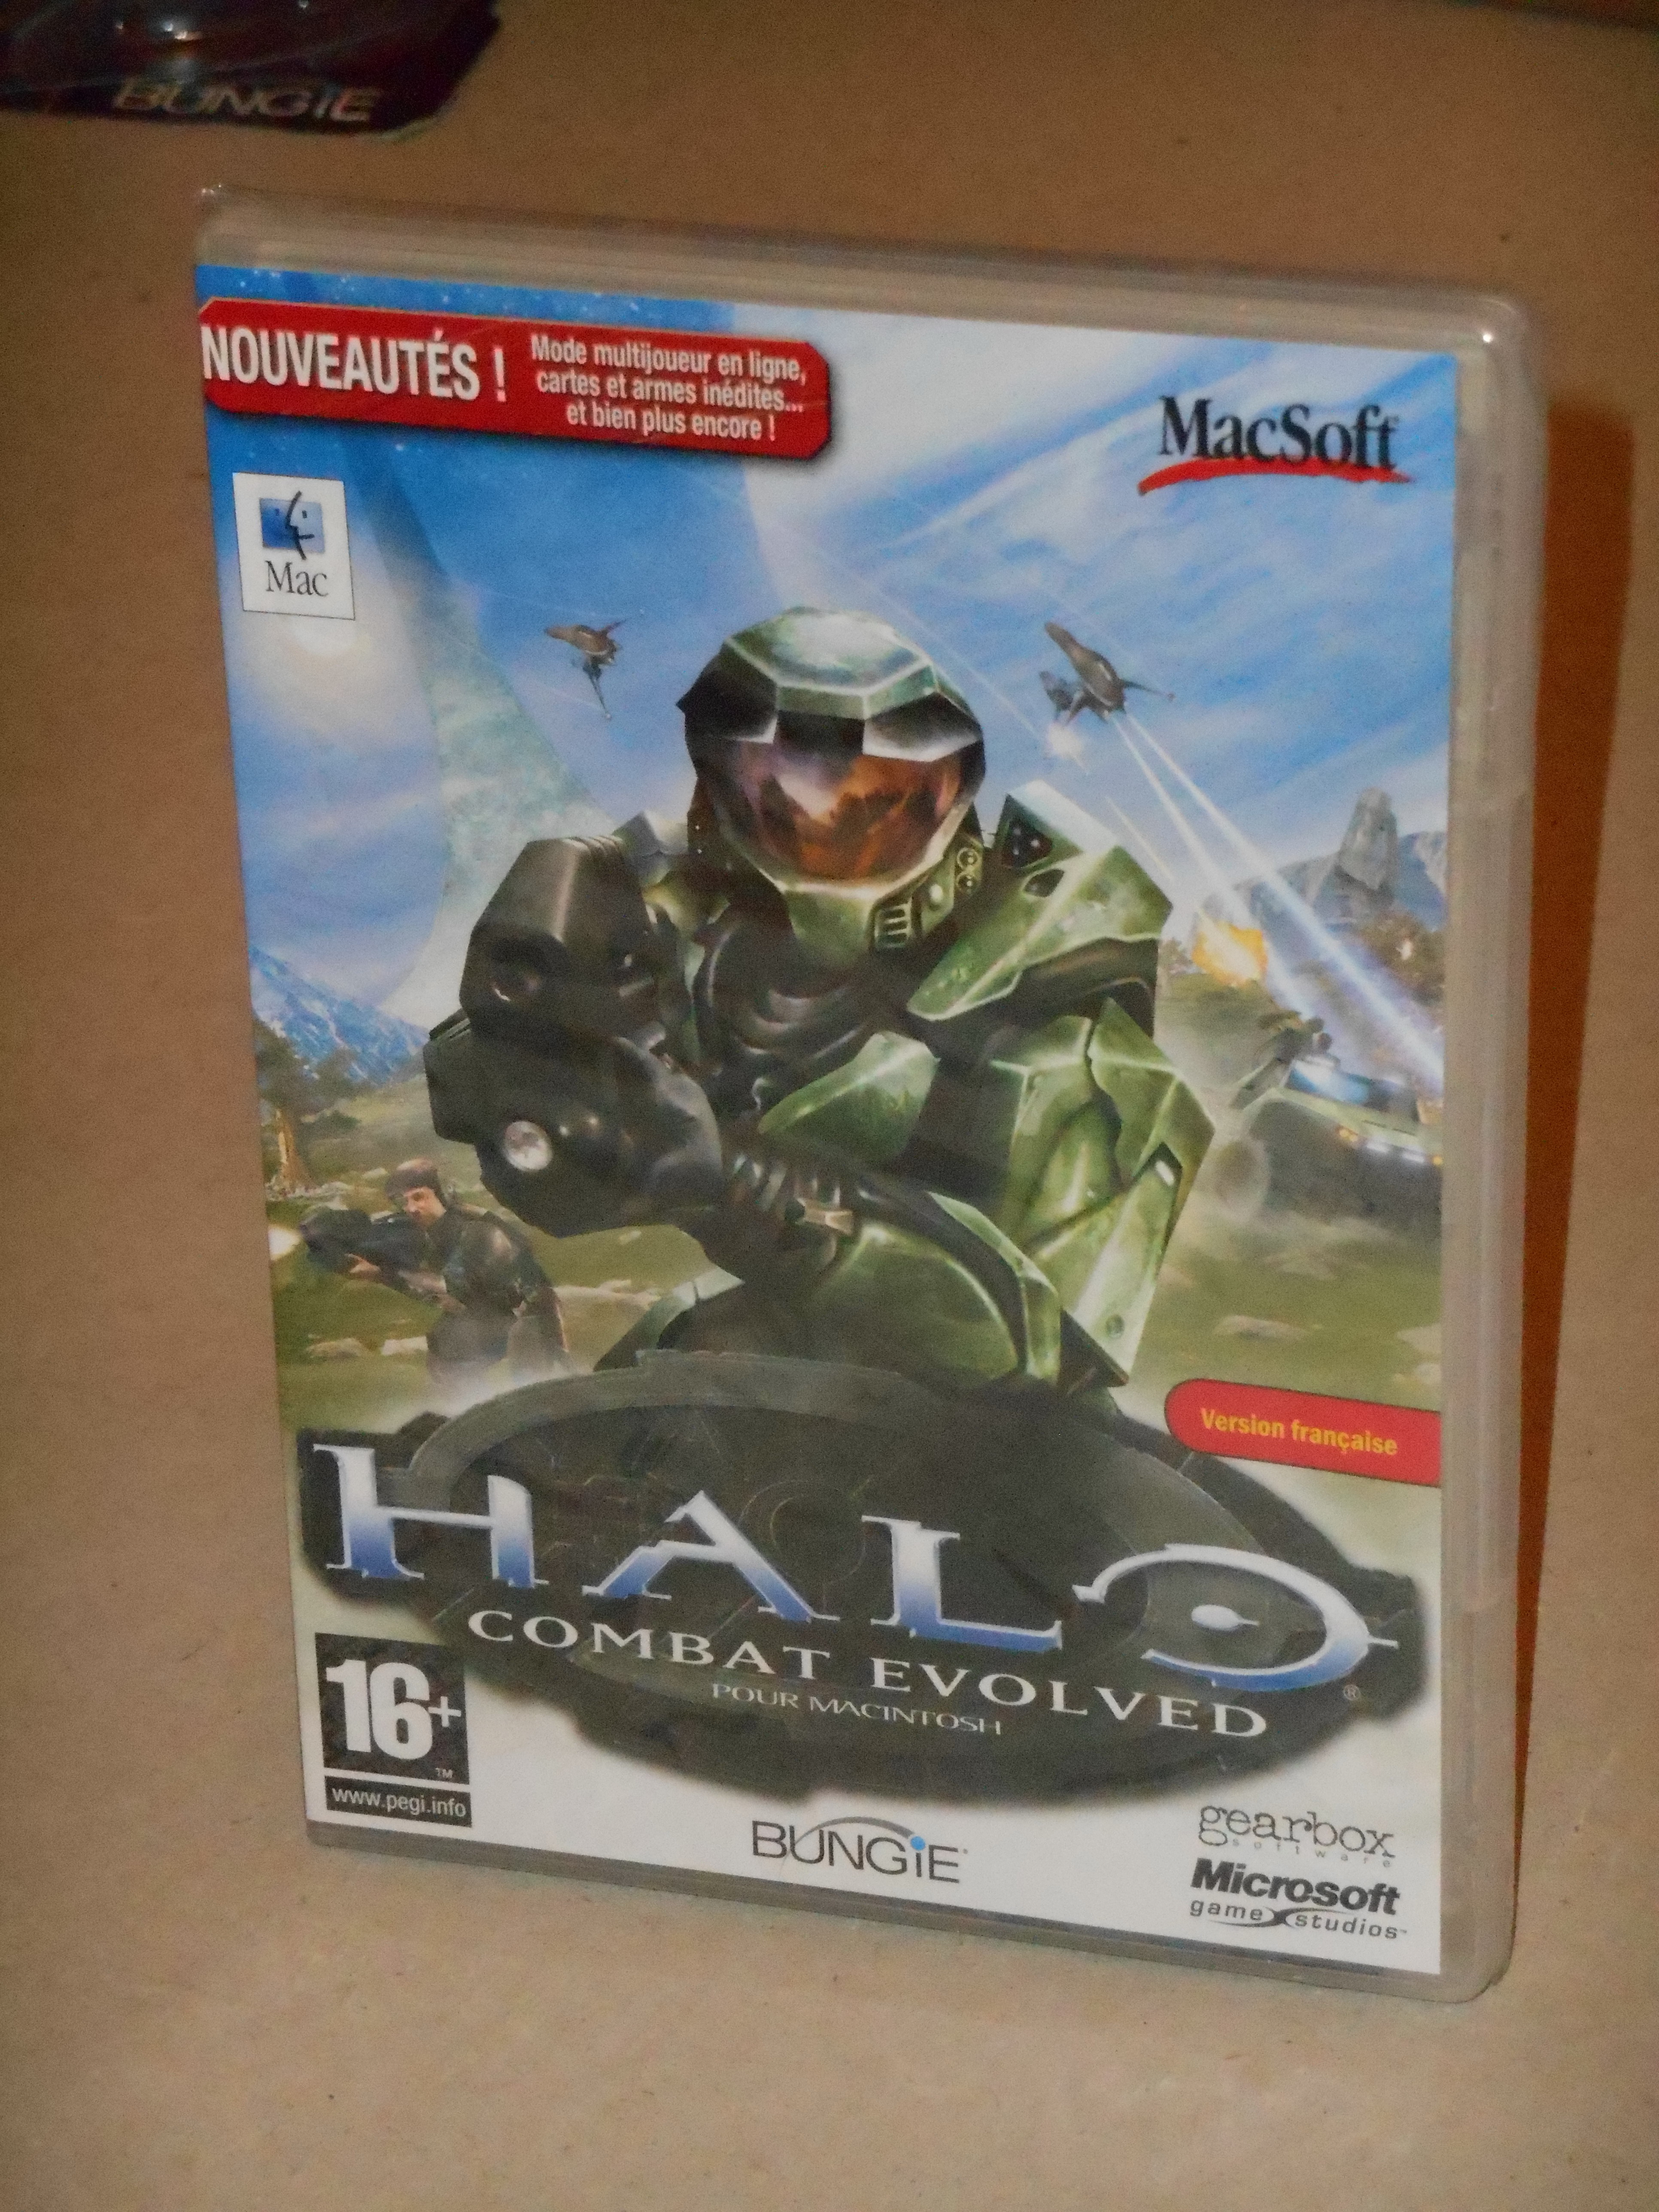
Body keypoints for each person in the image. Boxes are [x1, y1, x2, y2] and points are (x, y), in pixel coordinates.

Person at [424, 608, 1212, 1400]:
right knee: (668, 1359)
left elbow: (1042, 1349)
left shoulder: (1047, 978)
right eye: (787, 800)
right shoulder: (694, 925)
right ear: (721, 795)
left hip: (1005, 1426)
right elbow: (500, 1092)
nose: (832, 825)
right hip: (783, 1347)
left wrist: (734, 1187)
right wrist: (532, 1050)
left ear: (949, 798)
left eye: (877, 802)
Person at [362, 1159, 569, 1395]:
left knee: (536, 1389)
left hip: (527, 1317)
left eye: (419, 1197)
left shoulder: (477, 1231)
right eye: (403, 1202)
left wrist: (383, 1274)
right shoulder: (440, 1230)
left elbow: (449, 1289)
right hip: (494, 1312)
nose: (410, 1208)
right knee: (444, 1345)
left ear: (442, 1195)